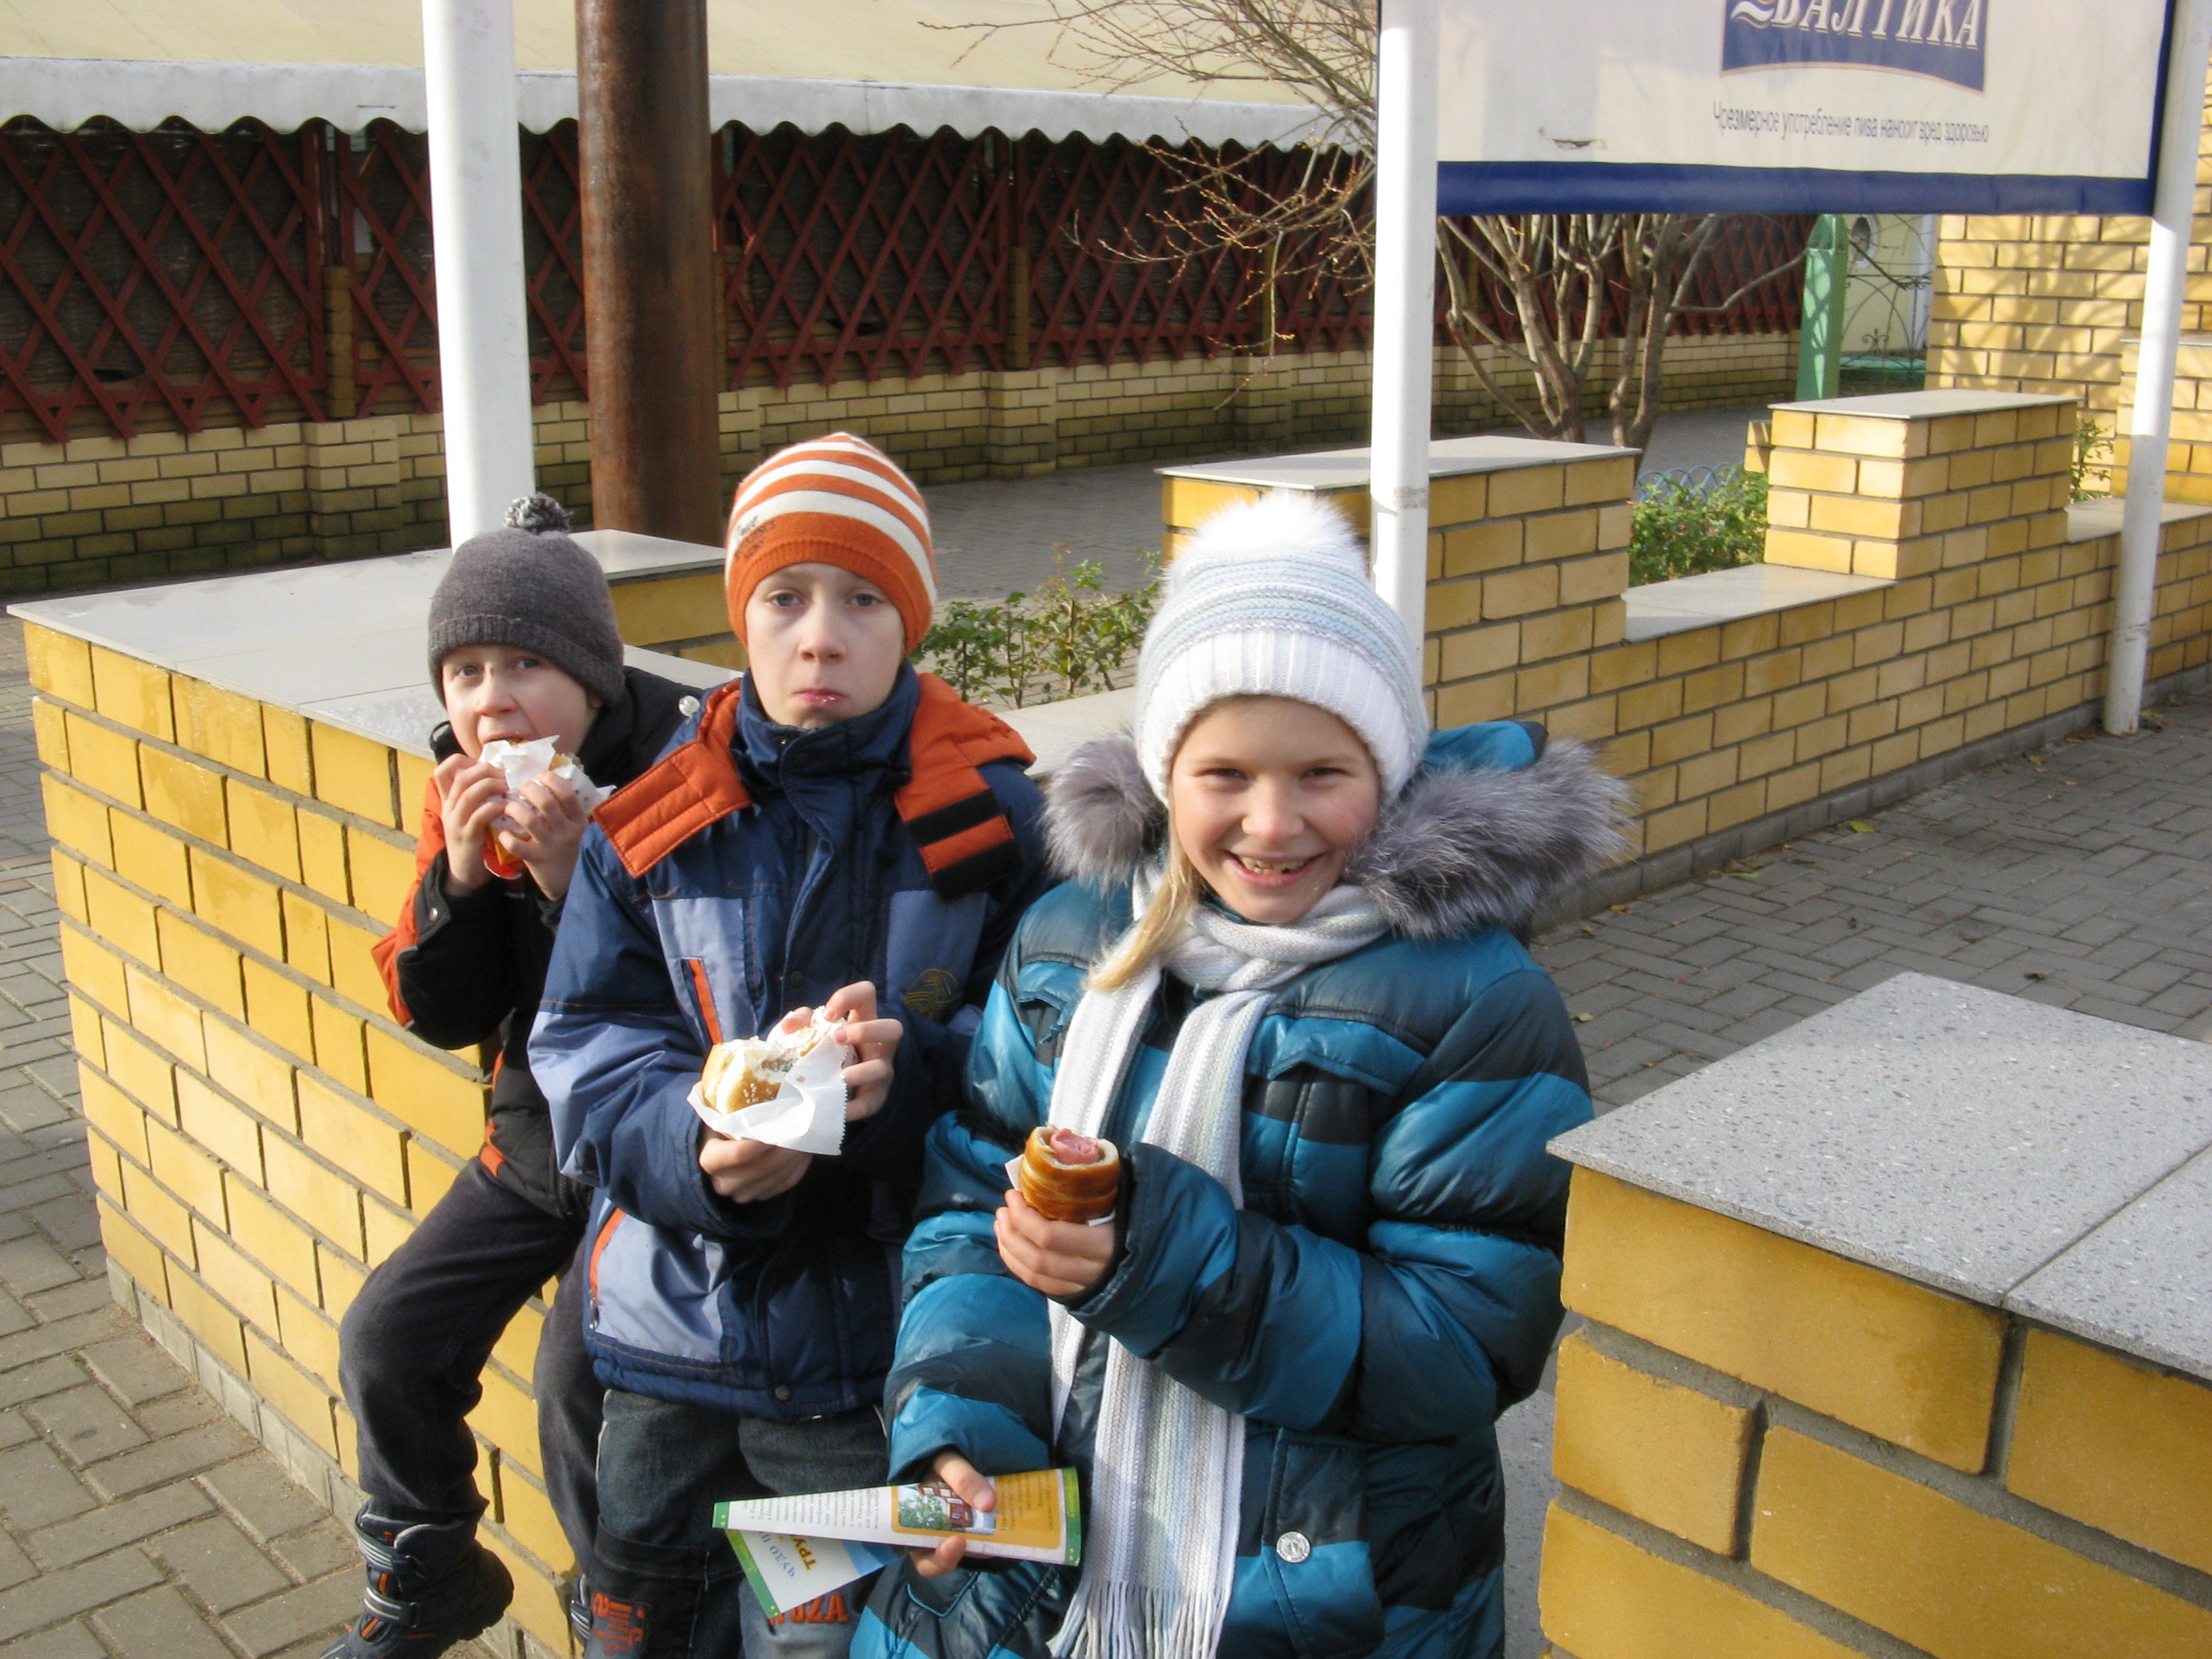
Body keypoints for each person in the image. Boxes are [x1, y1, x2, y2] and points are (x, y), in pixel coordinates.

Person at [853, 491, 1628, 1659]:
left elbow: (1468, 1342)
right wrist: (961, 1427)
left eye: (1321, 773)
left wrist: (1161, 1261)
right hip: (1032, 1594)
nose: (1271, 823)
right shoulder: (1071, 947)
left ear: (1390, 770)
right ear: (1163, 776)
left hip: (1323, 1605)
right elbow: (971, 1212)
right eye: (1224, 774)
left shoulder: (1475, 1006)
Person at [532, 433, 1056, 1659]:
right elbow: (588, 1046)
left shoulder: (992, 817)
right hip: (669, 1339)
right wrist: (694, 1148)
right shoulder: (654, 820)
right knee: (643, 1617)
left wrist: (906, 1084)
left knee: (816, 1637)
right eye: (785, 598)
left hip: (866, 1357)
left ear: (912, 620)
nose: (820, 638)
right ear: (742, 617)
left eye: (863, 600)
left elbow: (1045, 1050)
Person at [327, 497, 699, 1659]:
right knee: (386, 1338)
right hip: (534, 1146)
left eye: (525, 665)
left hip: (648, 1154)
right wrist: (460, 880)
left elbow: (701, 1005)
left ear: (592, 677)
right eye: (466, 672)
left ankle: (622, 1619)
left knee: (581, 1387)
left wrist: (576, 883)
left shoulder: (679, 770)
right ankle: (430, 1569)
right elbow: (441, 1012)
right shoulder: (461, 786)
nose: (492, 698)